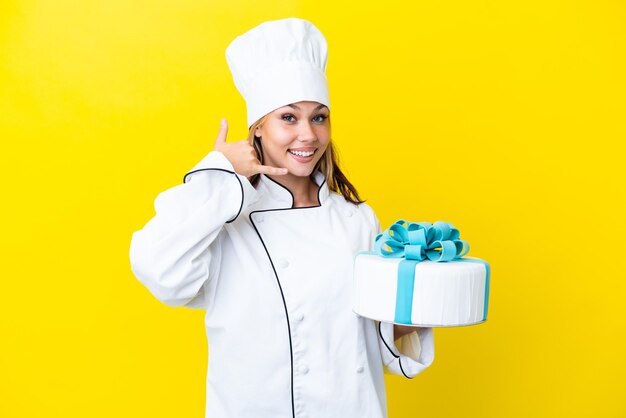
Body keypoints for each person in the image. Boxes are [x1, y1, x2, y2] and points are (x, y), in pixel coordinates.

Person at [129, 17, 434, 418]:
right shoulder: (224, 221)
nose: (307, 135)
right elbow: (159, 271)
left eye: (319, 117)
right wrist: (219, 173)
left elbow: (379, 344)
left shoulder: (358, 220)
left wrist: (420, 300)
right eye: (288, 118)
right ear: (257, 129)